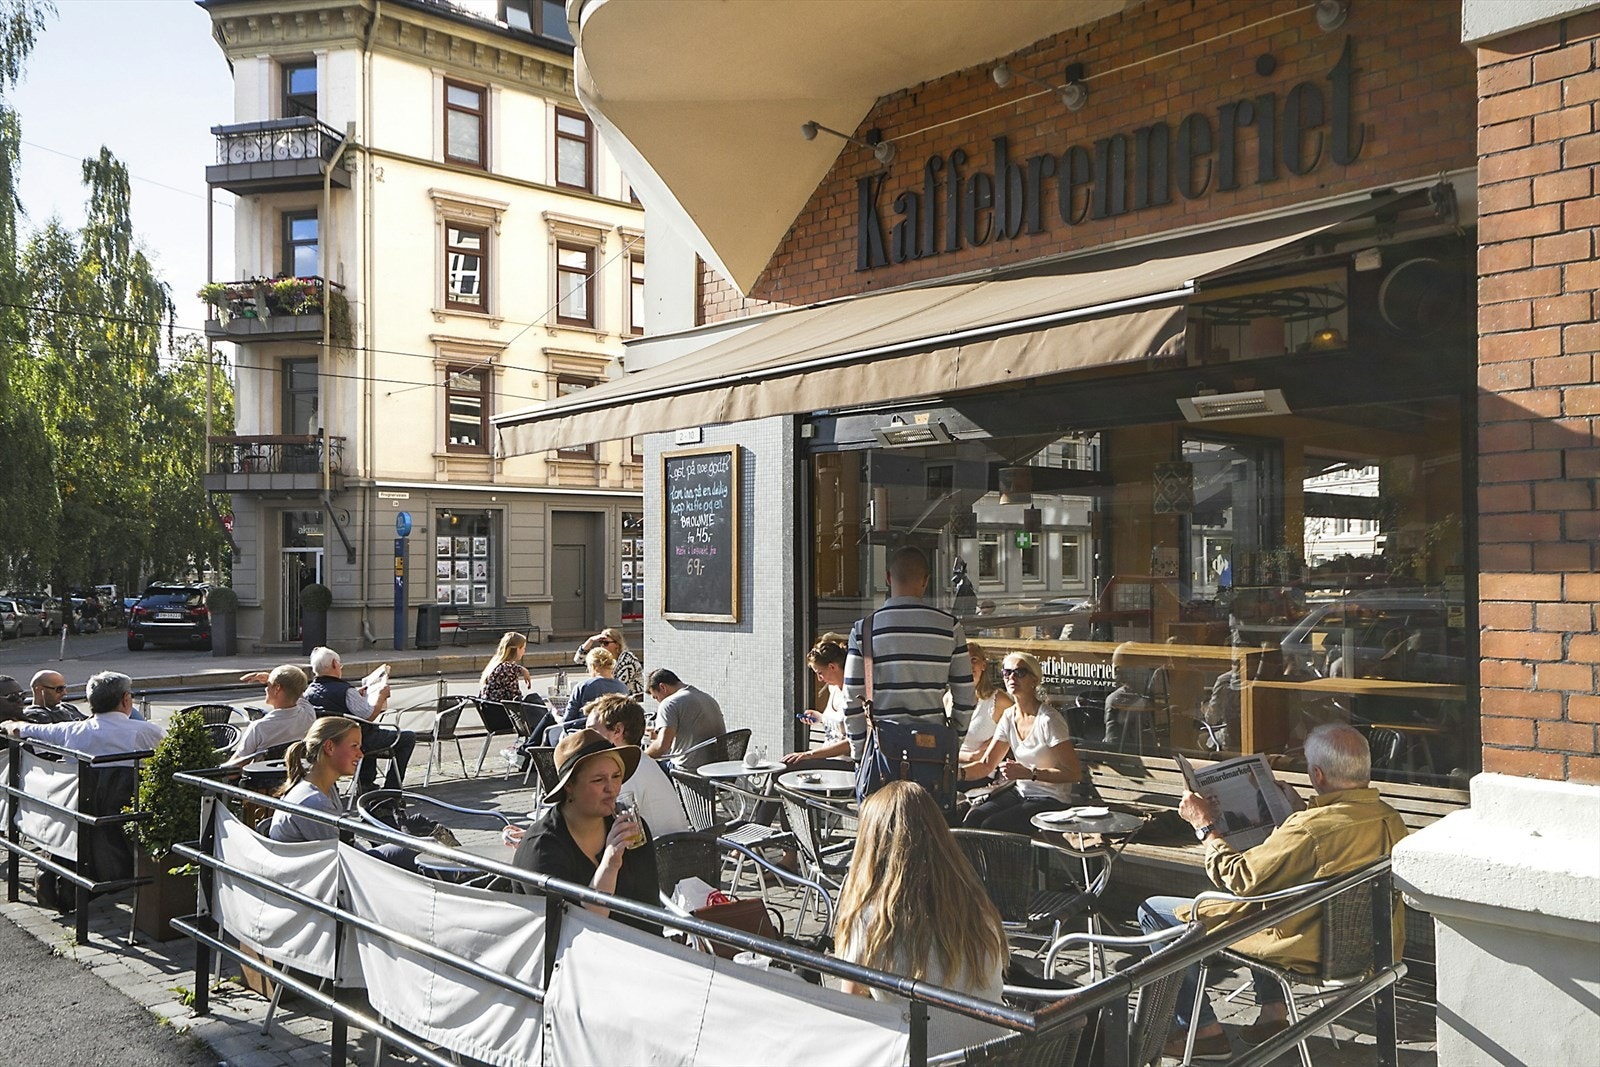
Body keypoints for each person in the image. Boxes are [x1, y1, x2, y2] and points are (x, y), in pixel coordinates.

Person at [1138, 723, 1410, 1060]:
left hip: (1300, 946)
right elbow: (1332, 846)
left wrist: (1204, 826)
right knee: (1271, 893)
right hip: (1368, 949)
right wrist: (1299, 809)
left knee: (1153, 912)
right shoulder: (1390, 819)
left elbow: (1238, 878)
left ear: (1318, 775)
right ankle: (1273, 1015)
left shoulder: (1308, 830)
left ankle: (1205, 1032)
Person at [835, 781, 1008, 1055]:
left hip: (922, 1057)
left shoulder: (872, 917)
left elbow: (851, 1007)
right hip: (996, 1055)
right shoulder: (976, 903)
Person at [511, 727, 660, 934]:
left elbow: (650, 913)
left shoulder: (630, 829)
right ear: (569, 786)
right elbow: (573, 936)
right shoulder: (542, 848)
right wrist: (609, 866)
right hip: (569, 960)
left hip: (635, 954)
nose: (612, 788)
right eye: (598, 780)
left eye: (616, 776)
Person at [842, 545, 975, 774]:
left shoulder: (864, 630)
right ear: (926, 580)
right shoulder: (950, 628)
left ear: (887, 578)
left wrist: (859, 755)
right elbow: (965, 697)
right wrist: (952, 743)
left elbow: (852, 700)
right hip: (932, 754)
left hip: (881, 754)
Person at [959, 651, 1087, 833]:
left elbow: (1074, 773)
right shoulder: (1009, 716)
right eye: (1006, 672)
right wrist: (955, 774)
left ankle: (1001, 862)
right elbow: (986, 765)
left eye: (1019, 673)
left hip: (1050, 799)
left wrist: (1030, 773)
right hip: (1020, 793)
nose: (1012, 677)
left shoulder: (1048, 720)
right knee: (974, 818)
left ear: (1034, 680)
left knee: (992, 826)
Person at [267, 716, 415, 867]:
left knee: (416, 841)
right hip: (322, 876)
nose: (361, 754)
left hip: (330, 866)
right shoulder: (314, 801)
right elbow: (342, 859)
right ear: (330, 747)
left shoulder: (323, 787)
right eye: (354, 746)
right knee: (415, 849)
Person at [302, 646, 415, 794]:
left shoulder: (309, 692)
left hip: (327, 742)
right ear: (335, 665)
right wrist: (381, 696)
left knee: (364, 733)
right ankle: (391, 788)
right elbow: (369, 715)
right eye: (340, 665)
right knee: (407, 737)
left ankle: (366, 783)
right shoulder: (345, 690)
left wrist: (356, 696)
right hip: (357, 741)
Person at [585, 693, 692, 837]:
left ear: (618, 730)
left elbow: (610, 826)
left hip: (657, 854)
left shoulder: (626, 770)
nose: (585, 736)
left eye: (593, 730)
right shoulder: (639, 760)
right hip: (671, 849)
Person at [0, 670, 165, 762]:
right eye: (58, 689)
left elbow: (19, 730)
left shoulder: (66, 730)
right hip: (134, 805)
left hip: (82, 803)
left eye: (22, 696)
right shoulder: (152, 732)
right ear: (126, 700)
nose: (64, 692)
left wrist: (8, 725)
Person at [224, 665, 315, 767]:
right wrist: (272, 678)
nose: (266, 689)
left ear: (277, 688)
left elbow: (233, 769)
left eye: (268, 684)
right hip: (298, 775)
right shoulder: (309, 714)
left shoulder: (259, 728)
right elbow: (296, 689)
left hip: (264, 780)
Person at [782, 634, 851, 766]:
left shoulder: (853, 695)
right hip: (826, 759)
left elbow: (852, 742)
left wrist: (810, 755)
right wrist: (820, 717)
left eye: (820, 673)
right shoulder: (833, 688)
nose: (820, 679)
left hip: (845, 763)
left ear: (832, 667)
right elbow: (839, 722)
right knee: (784, 765)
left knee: (790, 765)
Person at [643, 668, 726, 761]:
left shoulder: (669, 703)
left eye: (656, 697)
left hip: (689, 768)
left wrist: (639, 757)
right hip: (716, 766)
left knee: (645, 766)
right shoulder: (707, 697)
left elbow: (662, 747)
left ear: (662, 687)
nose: (658, 702)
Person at [957, 641, 1012, 761]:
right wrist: (968, 756)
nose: (968, 665)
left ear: (984, 665)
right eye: (963, 661)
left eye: (974, 659)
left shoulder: (999, 701)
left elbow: (1016, 732)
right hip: (948, 770)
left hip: (980, 773)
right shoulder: (948, 698)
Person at [558, 647, 628, 736]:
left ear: (593, 666)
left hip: (583, 734)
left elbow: (567, 721)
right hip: (613, 734)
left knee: (549, 732)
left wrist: (556, 717)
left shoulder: (584, 686)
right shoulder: (623, 687)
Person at [575, 628, 644, 699]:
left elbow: (618, 686)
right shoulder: (604, 658)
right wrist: (590, 640)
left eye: (606, 643)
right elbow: (578, 660)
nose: (602, 646)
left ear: (617, 644)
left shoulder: (627, 659)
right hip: (613, 699)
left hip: (632, 700)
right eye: (600, 642)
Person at [478, 631, 533, 704]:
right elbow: (516, 699)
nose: (524, 651)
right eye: (523, 648)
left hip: (490, 708)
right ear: (517, 649)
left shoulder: (495, 664)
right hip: (501, 711)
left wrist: (522, 669)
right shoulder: (508, 670)